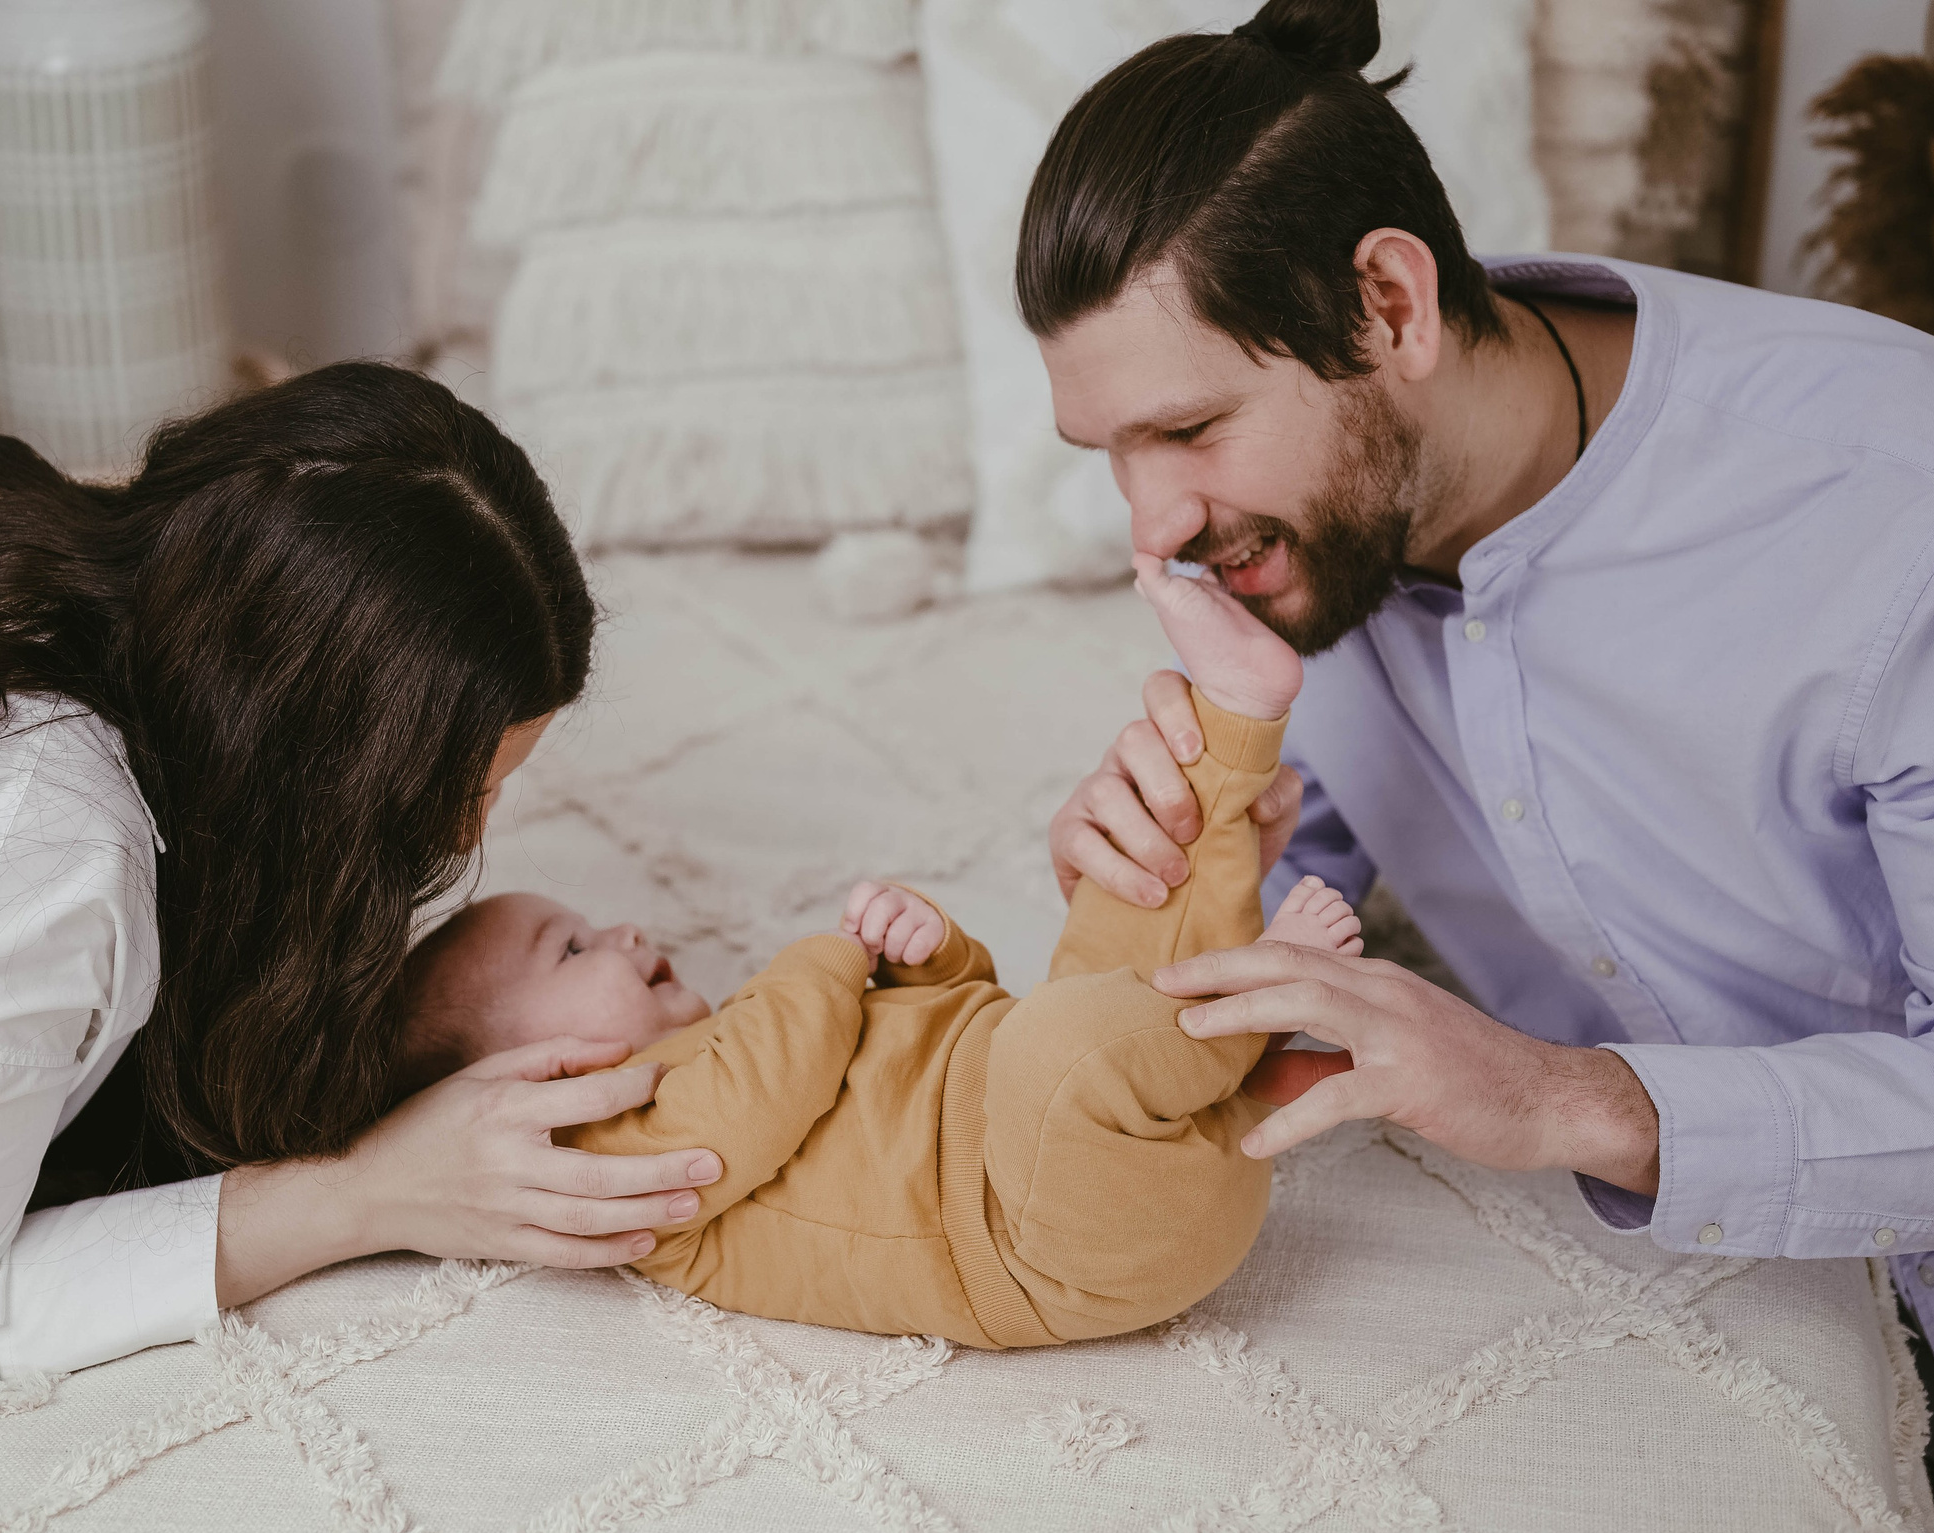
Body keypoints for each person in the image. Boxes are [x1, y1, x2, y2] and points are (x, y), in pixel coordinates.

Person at [1029, 0, 1934, 1533]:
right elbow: (1321, 859)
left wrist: (1558, 1097)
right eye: (1112, 459)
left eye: (1191, 432)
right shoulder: (1307, 545)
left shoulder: (1923, 507)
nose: (1149, 530)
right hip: (1711, 1338)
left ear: (1390, 303)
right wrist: (1179, 869)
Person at [0, 363, 722, 1434]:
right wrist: (366, 1191)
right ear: (303, 758)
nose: (459, 841)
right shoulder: (30, 844)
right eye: (453, 794)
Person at [397, 555, 1354, 1344]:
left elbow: (966, 1016)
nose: (626, 930)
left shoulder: (733, 1035)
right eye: (572, 951)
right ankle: (1253, 1015)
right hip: (1041, 1238)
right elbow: (769, 1086)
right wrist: (824, 959)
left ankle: (1234, 719)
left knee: (1120, 910)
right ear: (530, 1078)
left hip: (1075, 1147)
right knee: (1063, 1047)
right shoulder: (605, 1167)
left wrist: (928, 959)